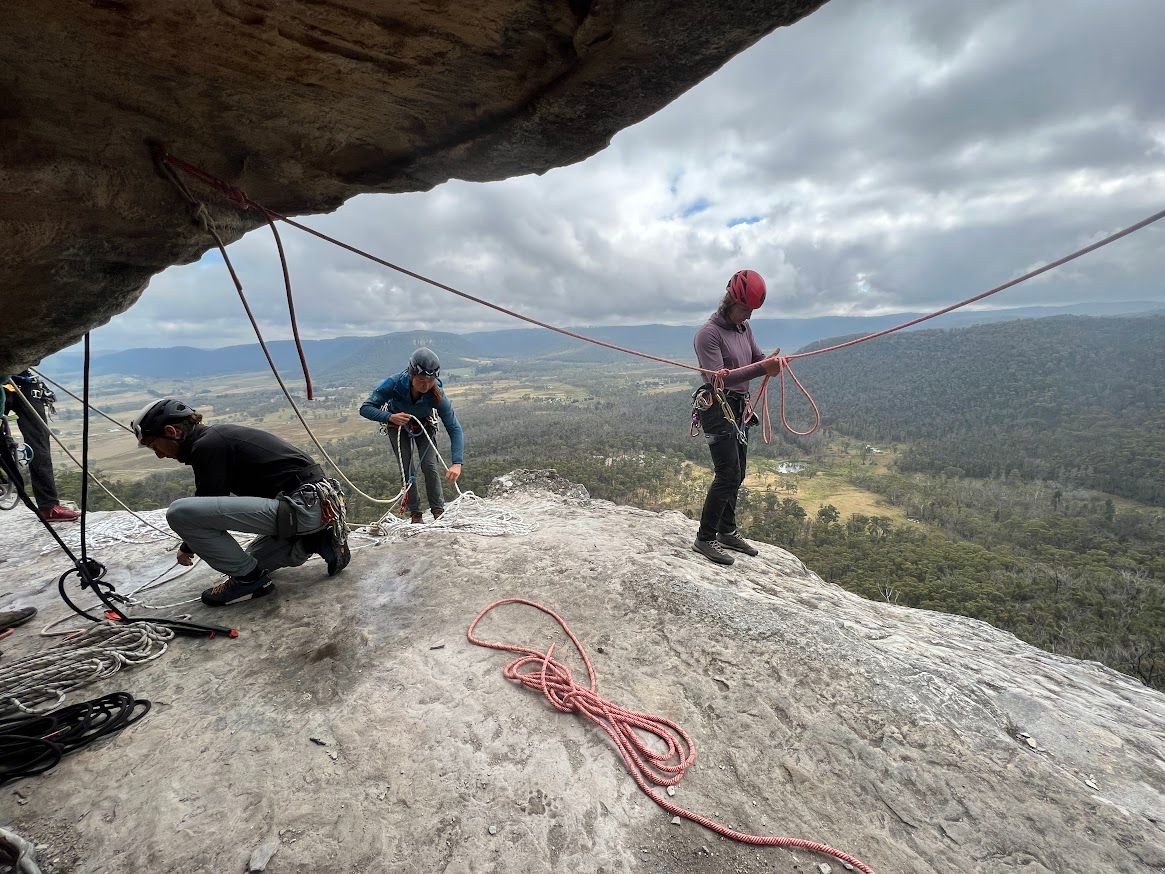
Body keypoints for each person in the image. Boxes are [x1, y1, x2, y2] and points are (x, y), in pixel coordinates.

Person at [131, 399, 350, 607]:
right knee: (253, 562)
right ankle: (318, 540)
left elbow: (208, 502)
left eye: (154, 446)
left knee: (179, 513)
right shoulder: (216, 437)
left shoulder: (208, 445)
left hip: (301, 507)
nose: (158, 455)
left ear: (172, 432)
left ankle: (250, 582)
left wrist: (187, 546)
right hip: (317, 506)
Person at [691, 269, 782, 565]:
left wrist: (771, 361)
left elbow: (757, 359)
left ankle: (726, 531)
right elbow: (719, 380)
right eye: (746, 309)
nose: (750, 316)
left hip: (739, 408)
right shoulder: (709, 334)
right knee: (727, 474)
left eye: (753, 311)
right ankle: (705, 538)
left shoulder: (744, 329)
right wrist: (763, 369)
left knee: (738, 473)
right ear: (731, 301)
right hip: (717, 408)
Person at [359, 347, 464, 523]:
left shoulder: (437, 393)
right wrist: (390, 417)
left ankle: (438, 510)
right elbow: (365, 408)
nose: (426, 385)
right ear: (411, 375)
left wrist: (457, 463)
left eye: (430, 380)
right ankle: (416, 514)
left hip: (424, 424)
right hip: (397, 425)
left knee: (430, 466)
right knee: (406, 469)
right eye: (422, 380)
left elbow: (454, 427)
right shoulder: (393, 384)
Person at [2, 371, 80, 522]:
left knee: (39, 445)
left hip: (23, 382)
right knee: (39, 443)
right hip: (18, 381)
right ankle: (48, 507)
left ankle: (49, 507)